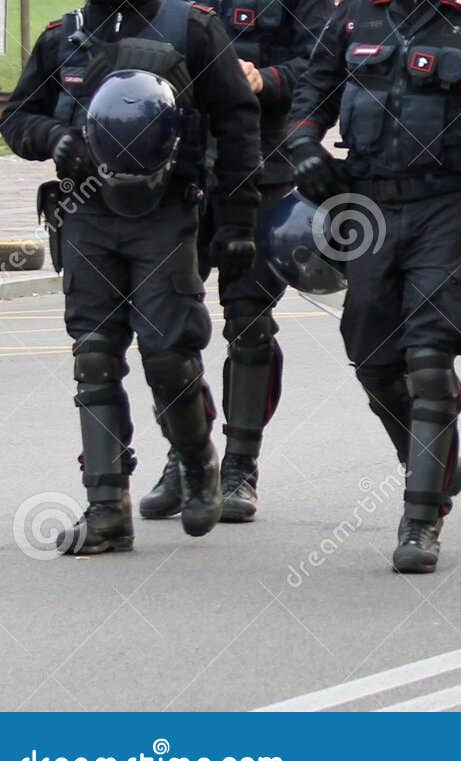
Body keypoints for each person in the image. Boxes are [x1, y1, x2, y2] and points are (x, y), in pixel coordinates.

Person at [284, 0, 461, 574]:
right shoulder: (354, 16)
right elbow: (311, 95)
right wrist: (303, 146)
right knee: (373, 361)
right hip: (368, 210)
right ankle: (439, 459)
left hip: (446, 210)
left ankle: (421, 518)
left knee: (428, 360)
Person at [1, 0, 262, 555]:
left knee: (169, 354)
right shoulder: (63, 36)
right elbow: (17, 116)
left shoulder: (191, 29)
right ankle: (107, 512)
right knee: (94, 357)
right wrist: (53, 137)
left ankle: (197, 462)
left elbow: (237, 122)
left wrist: (237, 221)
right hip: (85, 214)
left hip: (165, 214)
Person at [140, 0, 332, 525]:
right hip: (180, 168)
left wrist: (265, 79)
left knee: (249, 323)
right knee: (166, 326)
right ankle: (186, 456)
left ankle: (241, 466)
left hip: (260, 169)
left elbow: (324, 67)